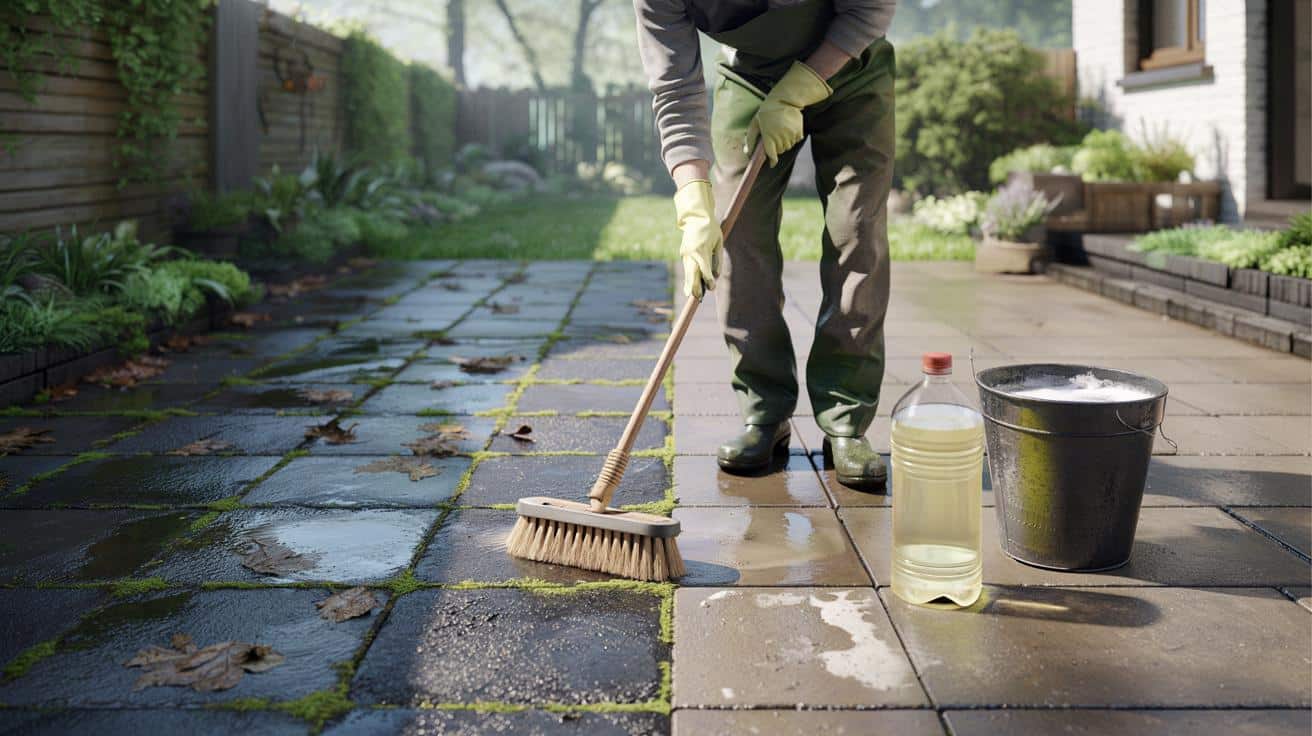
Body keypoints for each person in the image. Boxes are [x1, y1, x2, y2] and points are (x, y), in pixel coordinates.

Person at [634, 0, 898, 488]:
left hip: (850, 65)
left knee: (856, 234)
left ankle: (845, 419)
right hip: (751, 77)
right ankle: (764, 412)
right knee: (739, 236)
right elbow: (674, 87)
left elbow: (872, 6)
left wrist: (803, 86)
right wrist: (693, 199)